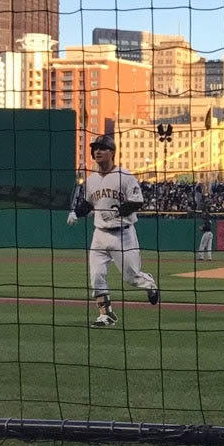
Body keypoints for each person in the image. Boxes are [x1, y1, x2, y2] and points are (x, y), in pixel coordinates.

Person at [69, 133, 160, 327]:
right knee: (96, 275)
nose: (97, 151)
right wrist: (77, 213)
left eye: (102, 148)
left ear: (112, 152)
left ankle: (149, 283)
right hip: (99, 234)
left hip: (123, 234)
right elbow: (88, 203)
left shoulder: (124, 176)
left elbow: (137, 202)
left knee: (132, 277)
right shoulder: (91, 180)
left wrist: (119, 211)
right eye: (95, 149)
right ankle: (106, 314)